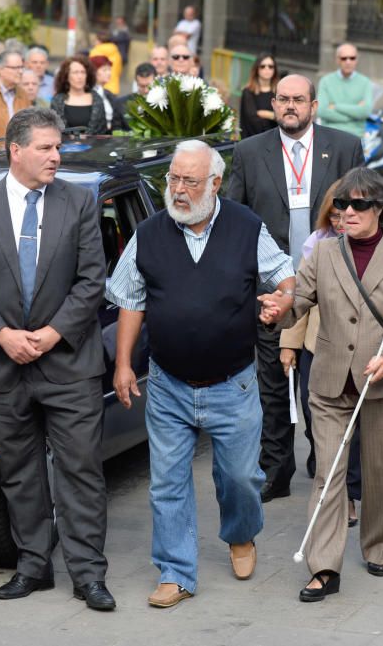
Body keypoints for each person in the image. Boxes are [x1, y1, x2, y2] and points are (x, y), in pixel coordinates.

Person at [108, 139, 295, 608]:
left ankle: (241, 533)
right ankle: (175, 572)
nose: (178, 189)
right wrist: (124, 364)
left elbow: (283, 274)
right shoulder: (149, 234)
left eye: (189, 181)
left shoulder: (245, 226)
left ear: (214, 183)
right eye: (173, 178)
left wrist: (284, 299)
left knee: (240, 479)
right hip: (169, 383)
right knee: (167, 483)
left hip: (233, 382)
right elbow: (131, 299)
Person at [0, 107, 116, 611]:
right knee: (20, 472)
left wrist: (50, 334)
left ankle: (88, 575)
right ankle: (33, 566)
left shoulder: (78, 202)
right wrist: (2, 335)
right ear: (15, 150)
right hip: (4, 366)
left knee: (80, 471)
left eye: (58, 147)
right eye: (46, 148)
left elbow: (93, 280)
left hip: (69, 365)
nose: (56, 156)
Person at [263, 168, 383, 602]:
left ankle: (379, 546)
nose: (347, 212)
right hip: (330, 379)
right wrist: (278, 310)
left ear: (379, 209)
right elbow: (298, 301)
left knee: (382, 472)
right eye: (342, 204)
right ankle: (324, 567)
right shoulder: (322, 254)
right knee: (328, 472)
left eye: (358, 204)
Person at [226, 74, 364, 503]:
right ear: (273, 102)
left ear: (313, 105)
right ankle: (276, 467)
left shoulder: (343, 148)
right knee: (271, 380)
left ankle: (323, 460)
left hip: (331, 289)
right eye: (282, 99)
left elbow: (368, 213)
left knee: (319, 382)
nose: (290, 106)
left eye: (298, 100)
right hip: (273, 288)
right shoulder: (250, 152)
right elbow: (236, 217)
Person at [278, 182, 361, 513]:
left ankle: (347, 493)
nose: (342, 222)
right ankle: (329, 472)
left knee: (354, 423)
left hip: (355, 349)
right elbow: (301, 296)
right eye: (335, 216)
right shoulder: (316, 244)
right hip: (316, 344)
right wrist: (289, 346)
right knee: (315, 415)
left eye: (349, 215)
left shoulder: (374, 249)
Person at [316, 44, 373, 138]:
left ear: (357, 60)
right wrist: (355, 114)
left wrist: (335, 106)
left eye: (352, 58)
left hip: (356, 137)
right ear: (337, 60)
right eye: (344, 58)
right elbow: (321, 111)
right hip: (329, 135)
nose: (348, 62)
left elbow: (366, 111)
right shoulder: (326, 81)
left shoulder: (365, 82)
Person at [50, 56, 108, 135]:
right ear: (66, 76)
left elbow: (102, 130)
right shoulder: (57, 100)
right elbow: (54, 130)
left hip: (95, 146)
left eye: (83, 72)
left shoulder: (97, 99)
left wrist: (87, 138)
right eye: (75, 72)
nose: (80, 76)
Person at [239, 53, 278, 138]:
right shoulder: (248, 92)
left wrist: (267, 114)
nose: (267, 69)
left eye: (270, 66)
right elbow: (252, 120)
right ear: (257, 69)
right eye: (262, 66)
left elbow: (283, 118)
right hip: (252, 140)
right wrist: (274, 117)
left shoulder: (279, 92)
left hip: (275, 139)